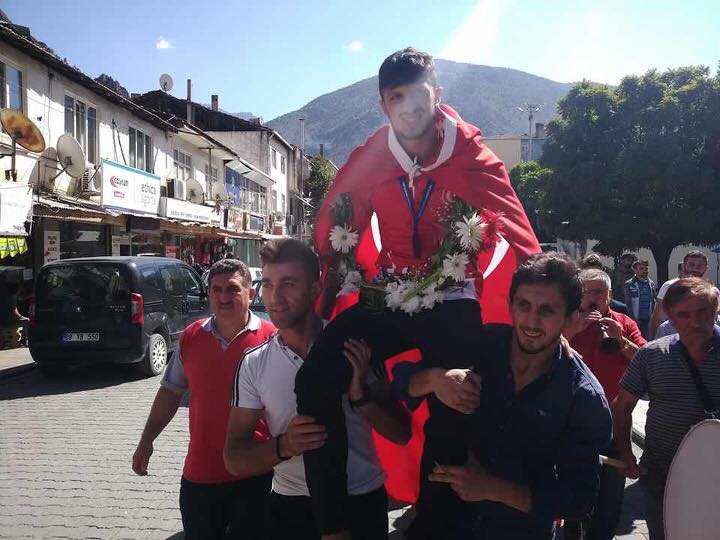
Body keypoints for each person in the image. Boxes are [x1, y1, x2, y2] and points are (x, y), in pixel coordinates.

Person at [299, 47, 540, 538]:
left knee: (456, 405)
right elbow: (336, 218)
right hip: (388, 295)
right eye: (396, 98)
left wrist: (553, 304)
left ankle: (434, 527)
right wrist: (328, 292)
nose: (408, 108)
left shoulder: (470, 156)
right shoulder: (372, 157)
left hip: (452, 298)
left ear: (437, 95)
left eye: (417, 95)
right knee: (314, 380)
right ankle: (333, 525)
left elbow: (518, 231)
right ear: (383, 105)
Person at [224, 239, 410, 540]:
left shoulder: (354, 346)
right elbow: (233, 458)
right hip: (292, 506)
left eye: (288, 284)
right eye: (268, 285)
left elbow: (401, 433)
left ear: (314, 289)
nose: (275, 297)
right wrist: (284, 445)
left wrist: (361, 397)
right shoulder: (254, 363)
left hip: (362, 499)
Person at [428, 252, 612, 539]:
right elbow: (402, 376)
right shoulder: (481, 345)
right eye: (523, 305)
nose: (532, 321)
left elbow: (579, 500)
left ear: (569, 316)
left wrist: (493, 489)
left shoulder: (584, 398)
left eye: (547, 310)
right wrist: (435, 379)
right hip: (446, 523)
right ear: (510, 304)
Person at [131, 259, 276, 540]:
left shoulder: (272, 340)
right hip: (202, 473)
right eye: (215, 289)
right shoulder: (191, 337)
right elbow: (170, 392)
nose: (223, 297)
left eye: (232, 289)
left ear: (250, 294)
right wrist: (146, 440)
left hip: (255, 473)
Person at [613, 277, 720, 539]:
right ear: (669, 318)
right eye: (683, 315)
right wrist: (625, 452)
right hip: (663, 476)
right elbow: (622, 406)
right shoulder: (650, 355)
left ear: (716, 309)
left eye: (703, 312)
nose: (695, 322)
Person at [564, 268, 646, 539]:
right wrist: (573, 329)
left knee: (609, 504)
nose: (592, 298)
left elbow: (647, 362)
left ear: (609, 295)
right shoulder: (567, 321)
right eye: (586, 292)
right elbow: (543, 354)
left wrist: (621, 340)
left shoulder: (624, 322)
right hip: (573, 424)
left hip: (614, 423)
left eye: (598, 292)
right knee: (573, 503)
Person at [648, 250, 708, 337]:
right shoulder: (670, 286)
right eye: (691, 264)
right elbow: (657, 318)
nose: (695, 269)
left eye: (699, 266)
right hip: (671, 338)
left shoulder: (709, 290)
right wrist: (652, 342)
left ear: (705, 268)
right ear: (684, 266)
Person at [623, 260, 658, 338]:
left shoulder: (651, 284)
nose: (645, 271)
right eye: (641, 269)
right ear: (635, 270)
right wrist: (633, 319)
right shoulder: (629, 284)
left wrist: (653, 319)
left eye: (646, 268)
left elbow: (654, 301)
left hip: (648, 320)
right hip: (635, 319)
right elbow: (628, 304)